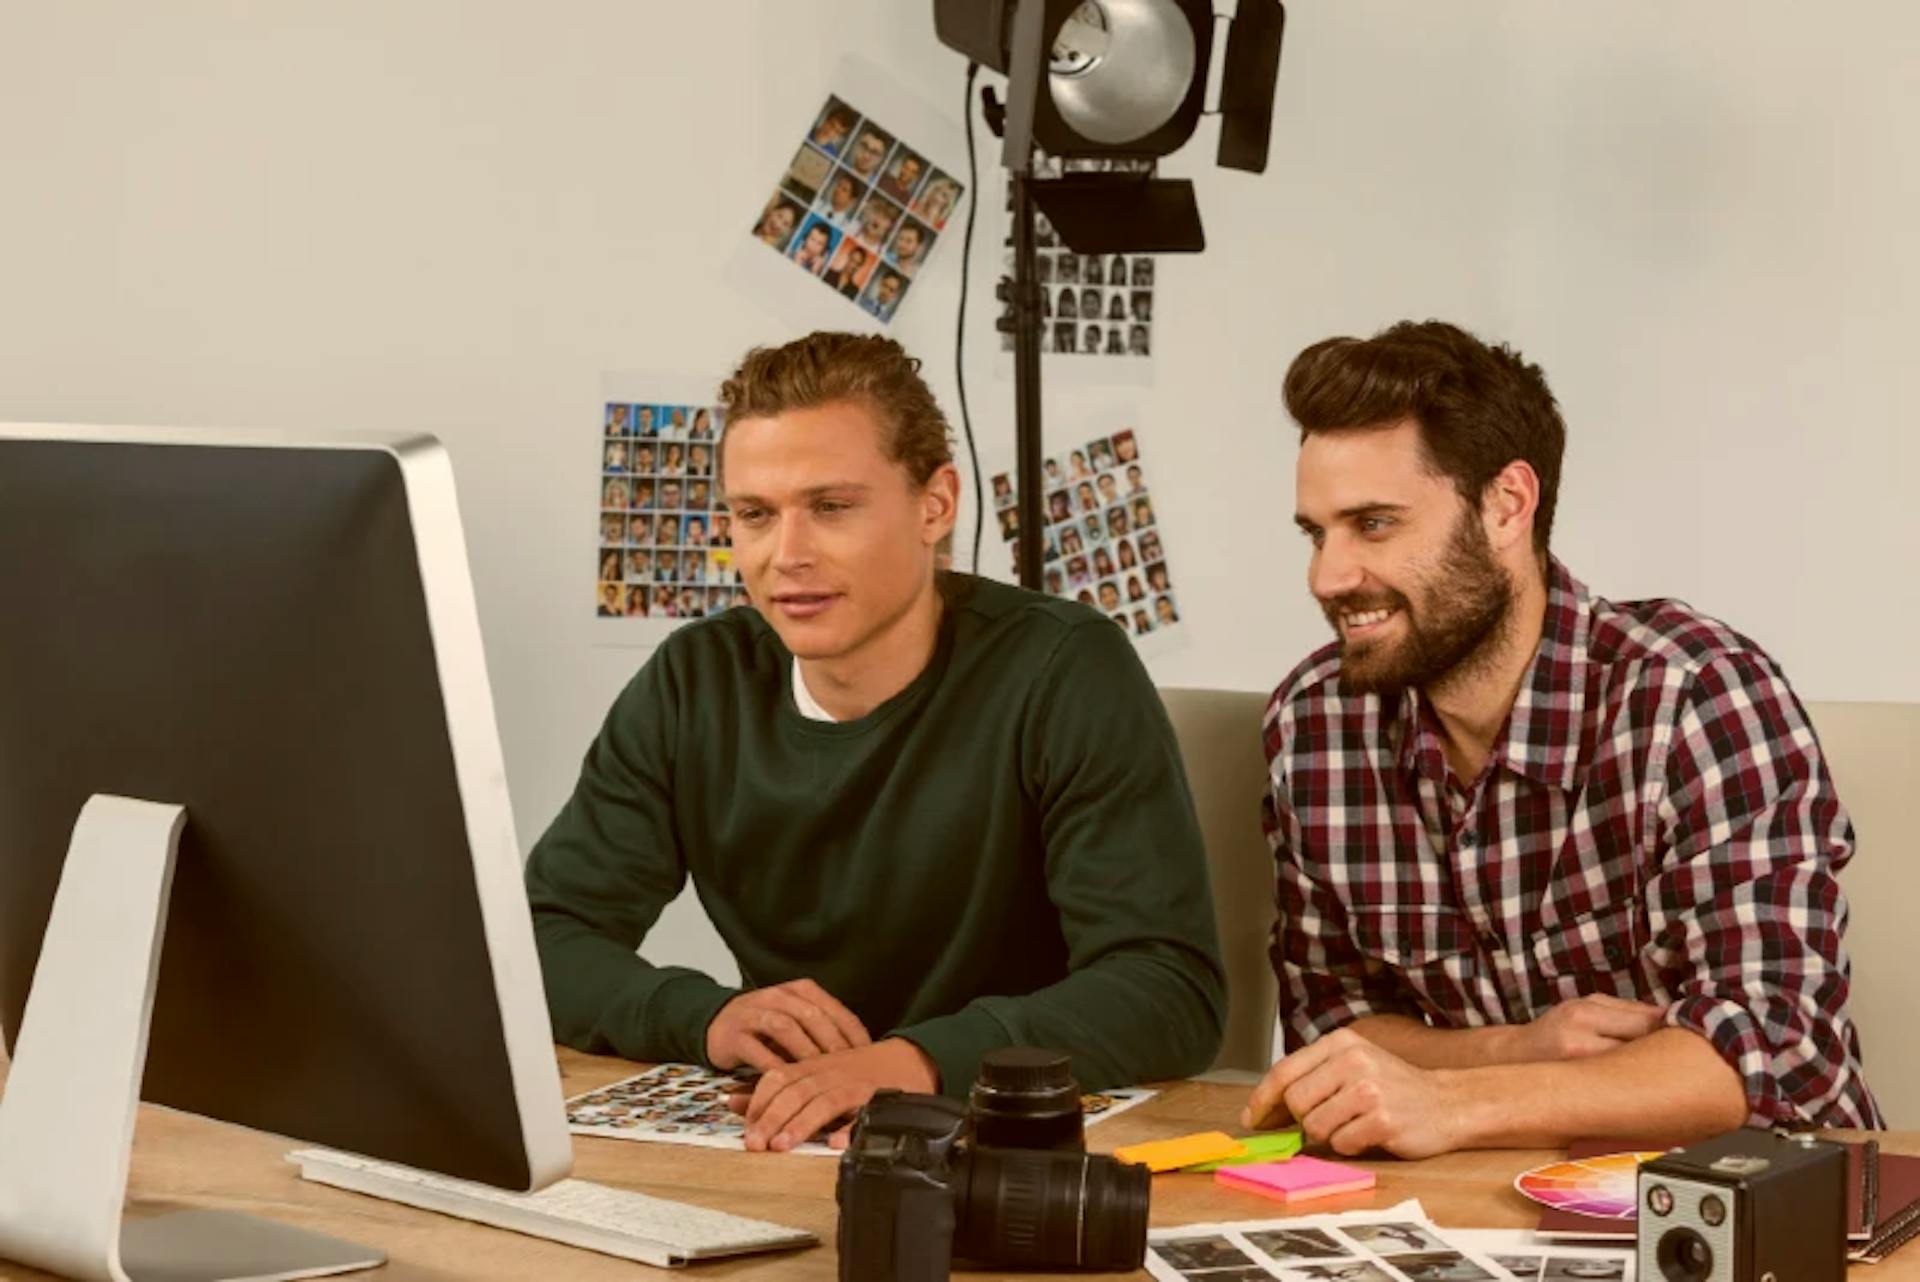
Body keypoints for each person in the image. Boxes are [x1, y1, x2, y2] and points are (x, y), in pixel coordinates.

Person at [526, 332, 1225, 1153]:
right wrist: (708, 1017)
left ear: (936, 505)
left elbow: (1170, 989)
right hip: (787, 1145)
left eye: (831, 507)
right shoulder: (696, 681)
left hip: (1011, 1147)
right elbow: (538, 940)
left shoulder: (1064, 668)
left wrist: (916, 1061)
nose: (786, 555)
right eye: (756, 514)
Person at [1246, 320, 1881, 1159]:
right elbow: (1335, 1033)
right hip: (1465, 1216)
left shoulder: (1692, 694)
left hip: (1759, 1212)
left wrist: (1454, 1101)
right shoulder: (1315, 724)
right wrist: (1511, 1051)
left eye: (1372, 524)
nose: (1326, 577)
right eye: (1315, 532)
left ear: (1508, 505)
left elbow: (1777, 1052)